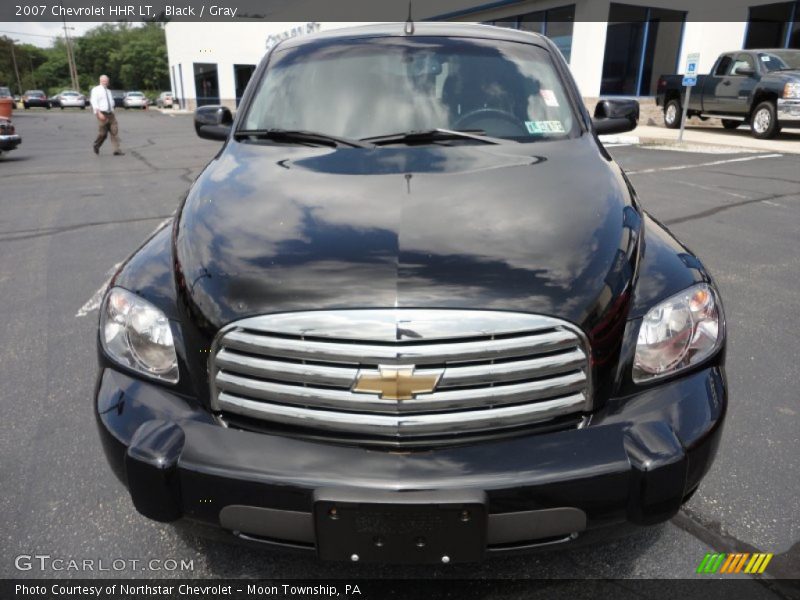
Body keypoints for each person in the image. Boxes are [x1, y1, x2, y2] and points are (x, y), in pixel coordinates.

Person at [89, 75, 124, 155]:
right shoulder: (96, 90)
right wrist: (98, 113)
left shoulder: (108, 91)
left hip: (111, 114)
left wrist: (112, 109)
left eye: (106, 81)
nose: (105, 82)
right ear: (100, 81)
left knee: (114, 131)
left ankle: (116, 150)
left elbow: (111, 101)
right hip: (101, 113)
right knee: (103, 134)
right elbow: (94, 101)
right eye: (103, 80)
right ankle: (96, 145)